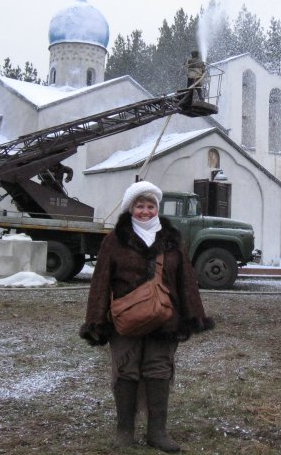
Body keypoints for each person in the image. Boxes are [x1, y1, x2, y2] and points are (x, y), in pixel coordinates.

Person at [79, 180, 214, 452]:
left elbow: (186, 279)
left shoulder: (172, 239)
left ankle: (157, 433)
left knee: (159, 369)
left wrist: (193, 316)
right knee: (126, 369)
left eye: (150, 205)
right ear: (130, 208)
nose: (145, 211)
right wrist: (96, 319)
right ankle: (125, 432)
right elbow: (101, 280)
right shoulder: (114, 241)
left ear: (157, 208)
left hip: (166, 319)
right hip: (124, 320)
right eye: (140, 205)